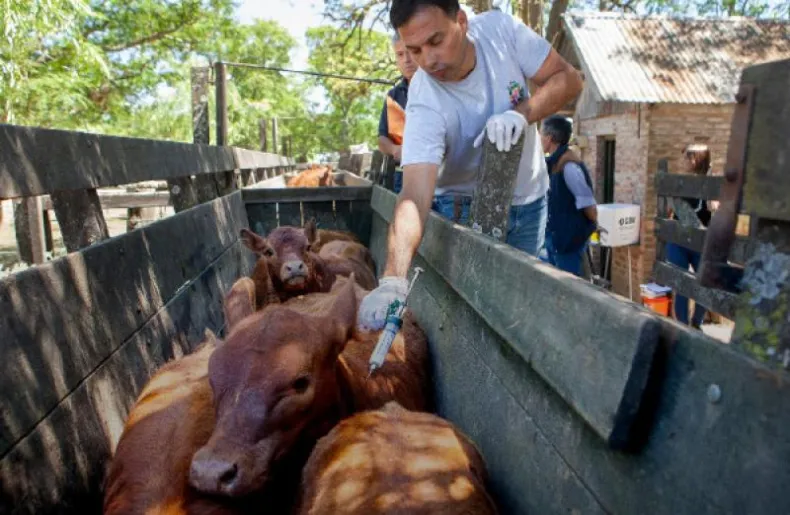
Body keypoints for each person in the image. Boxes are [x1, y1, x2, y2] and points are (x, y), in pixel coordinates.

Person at [358, 0, 583, 330]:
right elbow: (415, 195)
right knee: (469, 323)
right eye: (414, 50)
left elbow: (569, 78)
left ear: (461, 21)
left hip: (530, 202)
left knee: (520, 317)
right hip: (460, 210)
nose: (428, 60)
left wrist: (521, 114)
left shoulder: (501, 32)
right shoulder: (424, 98)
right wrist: (393, 278)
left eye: (436, 41)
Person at [539, 115, 597, 277]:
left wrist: (585, 230)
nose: (539, 138)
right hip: (556, 240)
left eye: (541, 134)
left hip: (568, 243)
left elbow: (589, 206)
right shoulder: (554, 162)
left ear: (549, 138)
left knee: (569, 290)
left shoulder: (569, 165)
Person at [666, 144, 712, 328]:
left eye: (687, 157)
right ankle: (683, 327)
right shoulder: (681, 182)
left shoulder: (711, 183)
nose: (683, 161)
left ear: (695, 159)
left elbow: (716, 208)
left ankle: (696, 323)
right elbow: (670, 209)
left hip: (700, 241)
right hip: (678, 239)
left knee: (706, 285)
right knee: (681, 285)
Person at [378, 33, 418, 192]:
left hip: (438, 178)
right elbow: (382, 139)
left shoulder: (439, 87)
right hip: (401, 176)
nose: (407, 59)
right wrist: (395, 150)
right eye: (400, 54)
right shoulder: (393, 96)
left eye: (411, 52)